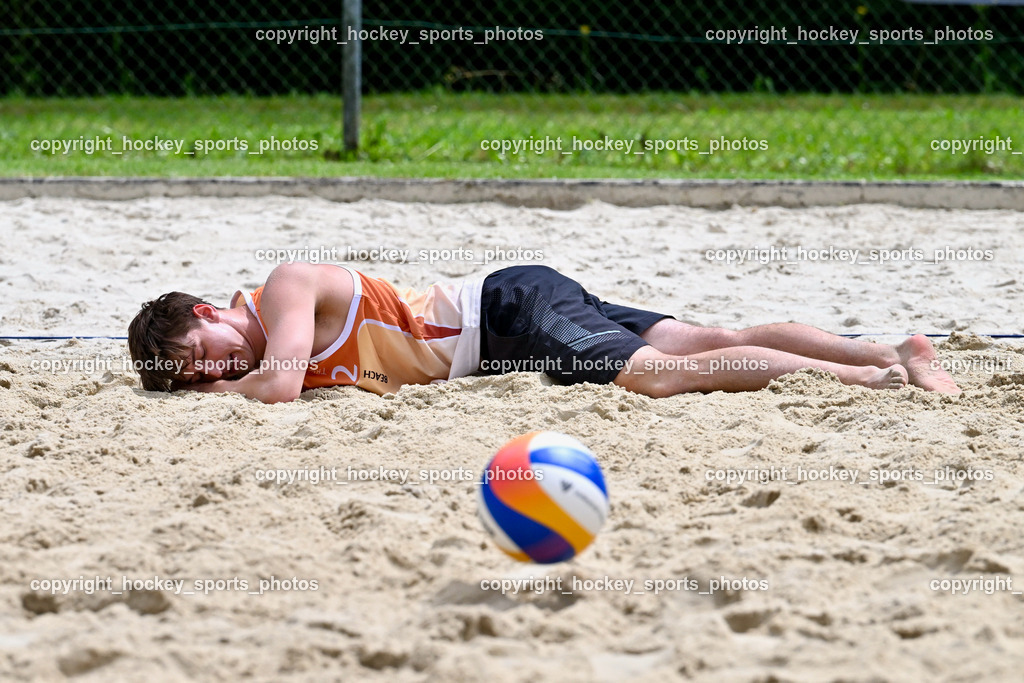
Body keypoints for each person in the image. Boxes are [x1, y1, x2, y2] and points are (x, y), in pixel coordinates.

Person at [127, 263, 961, 404]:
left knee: (658, 375)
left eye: (201, 358)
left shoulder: (282, 288)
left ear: (206, 311)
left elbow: (273, 385)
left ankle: (867, 377)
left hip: (506, 316)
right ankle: (893, 349)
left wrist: (213, 398)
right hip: (511, 307)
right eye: (201, 377)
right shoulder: (269, 333)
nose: (215, 372)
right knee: (701, 335)